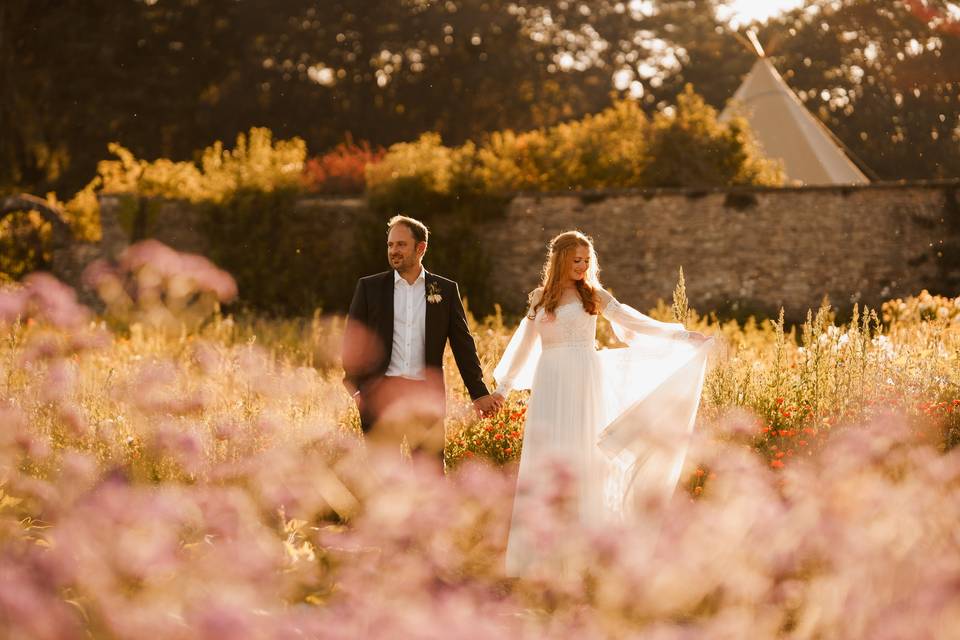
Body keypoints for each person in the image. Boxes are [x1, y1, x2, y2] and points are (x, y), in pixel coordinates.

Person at [491, 230, 714, 577]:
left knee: (582, 458)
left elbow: (632, 320)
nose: (581, 266)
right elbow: (523, 347)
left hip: (583, 380)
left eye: (586, 260)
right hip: (550, 382)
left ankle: (584, 553)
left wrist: (682, 335)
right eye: (575, 260)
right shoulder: (540, 298)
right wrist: (503, 389)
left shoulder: (594, 295)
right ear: (560, 260)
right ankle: (538, 555)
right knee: (548, 458)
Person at [342, 215, 502, 467]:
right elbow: (353, 339)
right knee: (382, 479)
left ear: (421, 248)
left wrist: (479, 393)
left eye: (401, 245)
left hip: (426, 399)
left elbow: (463, 345)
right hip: (380, 396)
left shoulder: (444, 290)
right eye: (390, 245)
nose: (393, 251)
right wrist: (358, 388)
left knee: (429, 476)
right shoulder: (369, 288)